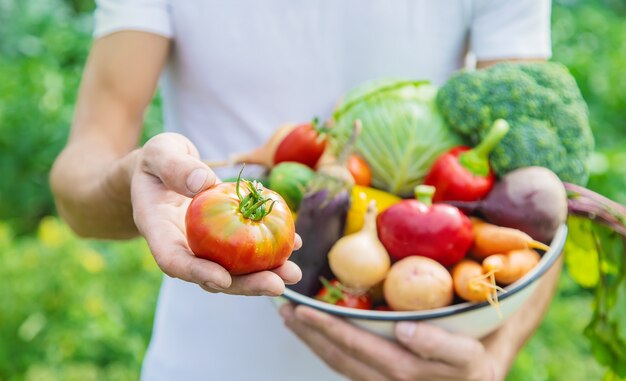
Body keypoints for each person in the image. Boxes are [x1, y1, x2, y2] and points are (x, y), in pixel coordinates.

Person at [50, 1, 560, 380]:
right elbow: (80, 182)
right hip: (208, 361)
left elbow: (538, 197)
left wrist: (493, 358)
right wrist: (133, 178)